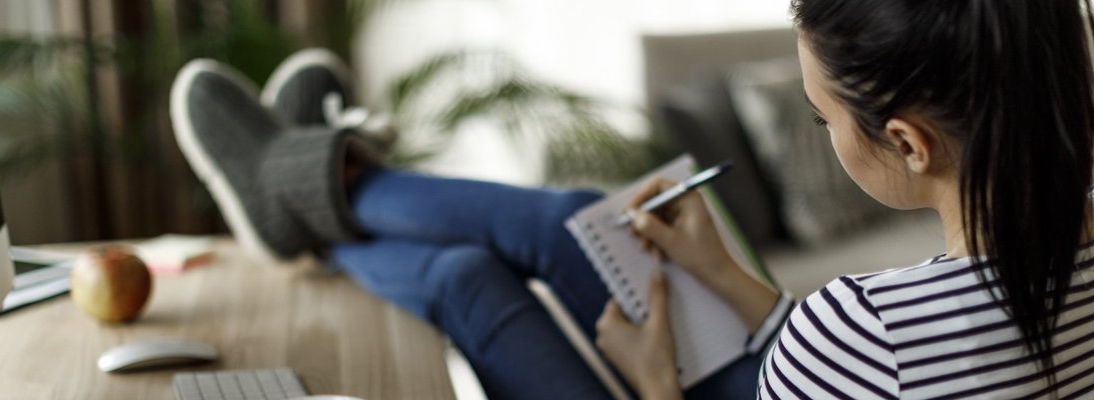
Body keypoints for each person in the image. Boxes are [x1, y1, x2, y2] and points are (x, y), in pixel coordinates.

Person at [170, 0, 1094, 397]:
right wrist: (727, 278)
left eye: (821, 120)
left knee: (467, 282)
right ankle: (322, 188)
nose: (824, 131)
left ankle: (308, 193)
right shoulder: (1041, 265)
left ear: (906, 142)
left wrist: (653, 382)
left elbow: (860, 361)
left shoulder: (864, 328)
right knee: (577, 216)